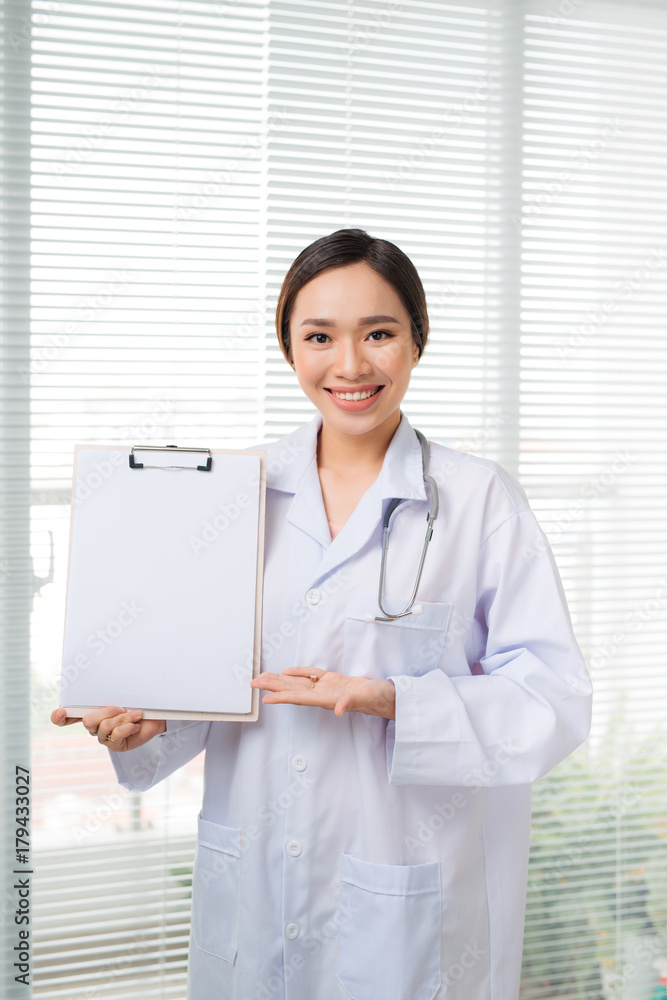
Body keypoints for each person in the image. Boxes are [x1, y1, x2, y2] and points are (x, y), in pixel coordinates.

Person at [52, 228, 593, 1000]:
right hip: (258, 875)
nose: (349, 365)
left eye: (378, 333)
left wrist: (390, 699)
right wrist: (150, 724)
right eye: (319, 336)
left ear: (417, 340)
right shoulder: (227, 495)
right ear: (288, 347)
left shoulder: (476, 501)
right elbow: (205, 681)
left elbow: (552, 699)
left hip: (408, 887)